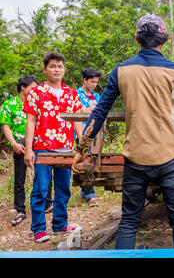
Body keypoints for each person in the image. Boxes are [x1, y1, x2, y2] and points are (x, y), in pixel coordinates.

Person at [72, 14, 174, 249]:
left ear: (137, 39)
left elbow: (100, 112)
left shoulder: (121, 71)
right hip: (168, 158)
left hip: (135, 158)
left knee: (129, 221)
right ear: (163, 40)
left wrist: (81, 148)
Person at [23, 52, 84, 243]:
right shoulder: (36, 92)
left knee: (63, 188)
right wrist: (28, 149)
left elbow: (77, 121)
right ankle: (39, 228)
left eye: (60, 66)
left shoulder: (71, 93)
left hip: (66, 149)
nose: (56, 70)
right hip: (42, 148)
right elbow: (31, 121)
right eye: (52, 66)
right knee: (41, 189)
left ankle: (60, 223)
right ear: (45, 69)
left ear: (64, 70)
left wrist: (82, 146)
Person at [0, 75, 41, 226]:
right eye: (32, 88)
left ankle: (47, 204)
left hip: (38, 143)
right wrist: (14, 144)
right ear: (23, 87)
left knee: (44, 174)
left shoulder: (37, 103)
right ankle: (20, 209)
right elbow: (5, 126)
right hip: (20, 145)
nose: (34, 91)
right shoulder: (9, 104)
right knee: (20, 178)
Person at [76, 68, 102, 207]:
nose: (94, 84)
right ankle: (90, 195)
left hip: (96, 134)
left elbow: (101, 110)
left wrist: (90, 110)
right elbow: (79, 110)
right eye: (92, 81)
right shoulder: (76, 94)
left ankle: (84, 192)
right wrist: (92, 110)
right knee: (87, 161)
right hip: (81, 133)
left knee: (91, 161)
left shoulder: (97, 96)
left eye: (96, 82)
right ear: (85, 80)